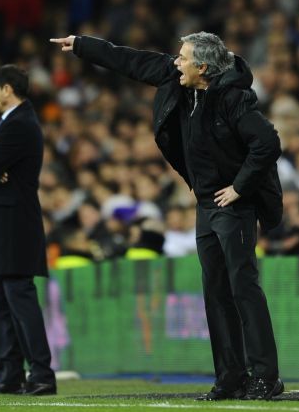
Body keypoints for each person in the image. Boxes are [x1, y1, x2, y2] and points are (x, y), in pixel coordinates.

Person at [51, 32, 284, 400]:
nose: (176, 62)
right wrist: (82, 45)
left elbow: (268, 143)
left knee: (243, 287)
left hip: (233, 205)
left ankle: (266, 377)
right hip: (206, 204)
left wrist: (239, 188)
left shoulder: (233, 98)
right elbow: (130, 60)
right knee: (215, 292)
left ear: (202, 68)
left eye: (183, 58)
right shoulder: (178, 80)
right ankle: (230, 377)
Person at [0, 65, 56, 395]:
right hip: (0, 226)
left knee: (19, 299)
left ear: (7, 89)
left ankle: (41, 374)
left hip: (13, 225)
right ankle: (9, 374)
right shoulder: (10, 122)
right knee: (0, 302)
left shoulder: (20, 124)